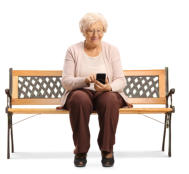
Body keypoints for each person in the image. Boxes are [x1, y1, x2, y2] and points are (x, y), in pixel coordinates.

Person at [59, 12, 133, 167]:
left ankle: (107, 149)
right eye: (90, 30)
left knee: (110, 99)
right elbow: (66, 81)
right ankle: (81, 149)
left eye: (99, 30)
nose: (95, 34)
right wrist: (84, 80)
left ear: (104, 31)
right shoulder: (73, 50)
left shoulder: (112, 50)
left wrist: (109, 87)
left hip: (105, 92)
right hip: (81, 91)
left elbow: (121, 80)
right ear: (83, 31)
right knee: (79, 99)